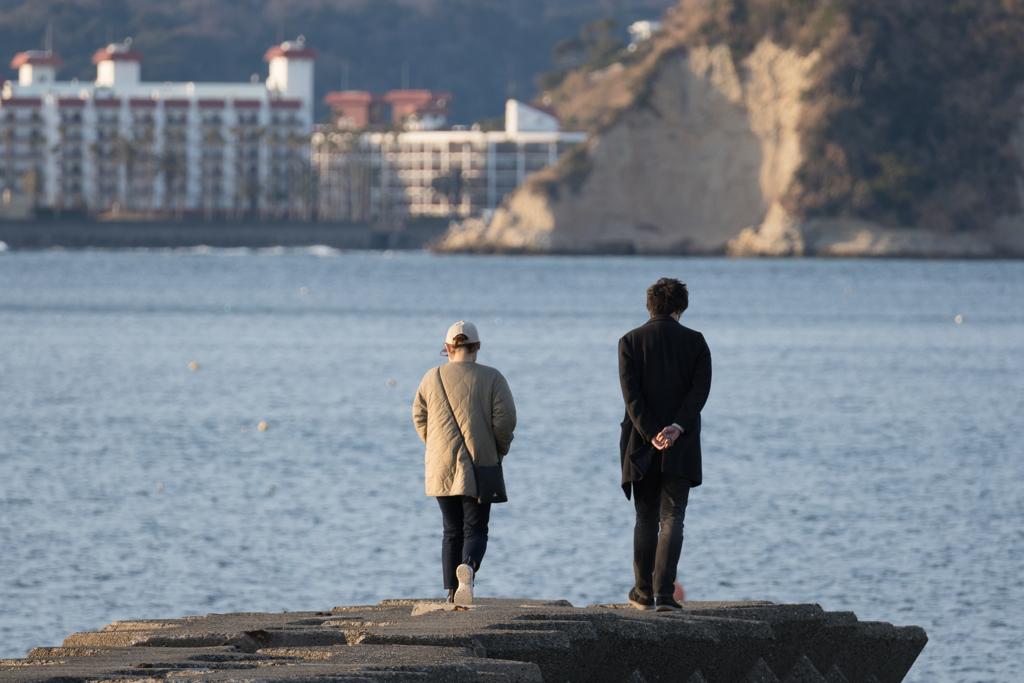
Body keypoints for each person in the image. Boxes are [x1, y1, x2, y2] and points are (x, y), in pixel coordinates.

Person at [618, 278, 712, 612]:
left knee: (645, 518)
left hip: (642, 446)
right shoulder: (697, 343)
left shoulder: (629, 341)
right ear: (680, 308)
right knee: (673, 518)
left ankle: (642, 593)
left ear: (650, 306)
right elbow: (698, 393)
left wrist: (651, 432)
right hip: (681, 444)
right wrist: (675, 428)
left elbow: (632, 397)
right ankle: (664, 596)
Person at [413, 321, 516, 605]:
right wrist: (499, 451)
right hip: (480, 464)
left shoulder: (430, 377)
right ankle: (468, 568)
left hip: (441, 466)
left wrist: (435, 446)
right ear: (477, 347)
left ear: (447, 349)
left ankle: (450, 593)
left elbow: (419, 416)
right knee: (476, 528)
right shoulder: (493, 378)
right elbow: (505, 421)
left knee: (451, 529)